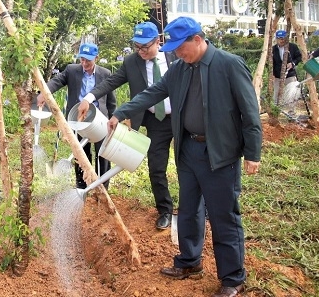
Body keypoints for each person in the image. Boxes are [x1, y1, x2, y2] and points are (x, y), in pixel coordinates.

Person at [106, 17, 262, 297]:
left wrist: (252, 153)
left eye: (181, 48)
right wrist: (121, 112)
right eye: (174, 49)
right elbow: (153, 92)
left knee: (223, 214)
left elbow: (249, 111)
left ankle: (232, 278)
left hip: (219, 152)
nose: (177, 53)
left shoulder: (228, 65)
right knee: (189, 209)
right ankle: (190, 261)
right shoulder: (179, 69)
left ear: (198, 40)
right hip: (188, 149)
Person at [77, 22, 176, 230]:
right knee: (156, 167)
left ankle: (197, 207)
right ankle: (165, 210)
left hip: (181, 117)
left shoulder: (175, 55)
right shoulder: (132, 62)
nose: (140, 52)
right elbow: (110, 82)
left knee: (189, 164)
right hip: (154, 121)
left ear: (158, 41)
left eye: (145, 47)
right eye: (137, 47)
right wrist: (88, 97)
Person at [37, 43, 116, 189]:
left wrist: (112, 119)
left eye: (88, 60)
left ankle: (102, 187)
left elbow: (111, 101)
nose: (84, 63)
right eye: (82, 60)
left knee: (103, 154)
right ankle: (82, 185)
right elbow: (56, 81)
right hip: (78, 118)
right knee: (80, 153)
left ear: (96, 58)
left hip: (100, 119)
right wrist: (44, 92)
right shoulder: (72, 70)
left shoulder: (105, 74)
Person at [272, 29, 302, 115]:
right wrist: (272, 74)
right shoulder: (273, 49)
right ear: (276, 39)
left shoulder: (293, 47)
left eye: (283, 38)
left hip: (290, 74)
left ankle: (291, 113)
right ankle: (275, 112)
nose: (281, 41)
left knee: (291, 94)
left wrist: (292, 63)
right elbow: (271, 63)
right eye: (279, 39)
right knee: (276, 94)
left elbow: (299, 57)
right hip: (278, 75)